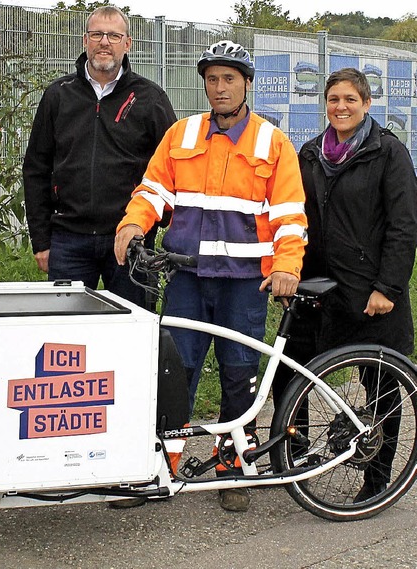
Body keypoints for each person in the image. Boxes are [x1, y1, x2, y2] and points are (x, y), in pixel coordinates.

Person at [114, 40, 307, 512]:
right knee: (175, 373)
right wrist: (134, 221)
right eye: (212, 79)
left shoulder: (272, 142)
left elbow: (290, 216)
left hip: (244, 283)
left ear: (246, 84)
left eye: (229, 79)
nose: (219, 88)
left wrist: (286, 266)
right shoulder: (181, 134)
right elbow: (154, 188)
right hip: (186, 276)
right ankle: (160, 468)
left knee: (238, 372)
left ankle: (233, 469)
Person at [292, 67, 417, 502]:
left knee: (380, 388)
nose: (340, 107)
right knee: (292, 373)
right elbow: (294, 219)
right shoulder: (309, 154)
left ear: (366, 103)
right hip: (317, 290)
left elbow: (404, 227)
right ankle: (296, 453)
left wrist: (389, 288)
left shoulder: (388, 153)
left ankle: (377, 479)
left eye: (349, 99)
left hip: (371, 294)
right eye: (333, 99)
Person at [23, 6, 176, 308]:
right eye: (97, 34)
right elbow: (36, 169)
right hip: (68, 241)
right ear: (85, 40)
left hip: (129, 238)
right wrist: (41, 241)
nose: (104, 42)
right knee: (66, 338)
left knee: (132, 333)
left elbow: (172, 168)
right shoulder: (59, 95)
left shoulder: (150, 98)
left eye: (114, 35)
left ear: (127, 43)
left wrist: (155, 225)